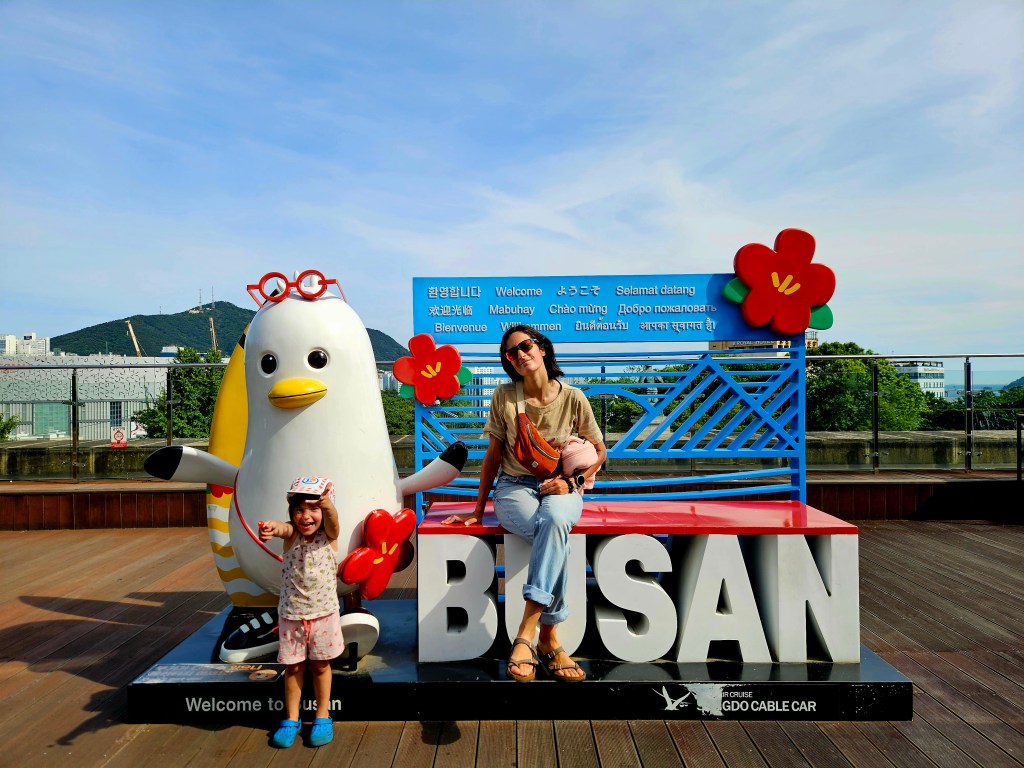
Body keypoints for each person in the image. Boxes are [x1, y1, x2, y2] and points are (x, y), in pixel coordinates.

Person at [443, 325, 606, 682]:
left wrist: (572, 481)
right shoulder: (504, 397)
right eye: (511, 352)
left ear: (543, 349)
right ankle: (550, 637)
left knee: (555, 523)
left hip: (562, 488)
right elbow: (492, 456)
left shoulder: (574, 397)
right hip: (514, 487)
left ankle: (527, 633)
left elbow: (600, 452)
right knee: (553, 532)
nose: (519, 354)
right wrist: (476, 509)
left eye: (525, 345)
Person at [258, 476, 343, 748]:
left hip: (324, 615)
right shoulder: (292, 535)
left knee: (320, 666)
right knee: (293, 667)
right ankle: (292, 718)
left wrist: (326, 505)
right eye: (298, 510)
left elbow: (333, 523)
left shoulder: (329, 537)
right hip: (292, 615)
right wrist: (272, 527)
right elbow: (284, 529)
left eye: (313, 509)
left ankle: (322, 715)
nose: (305, 516)